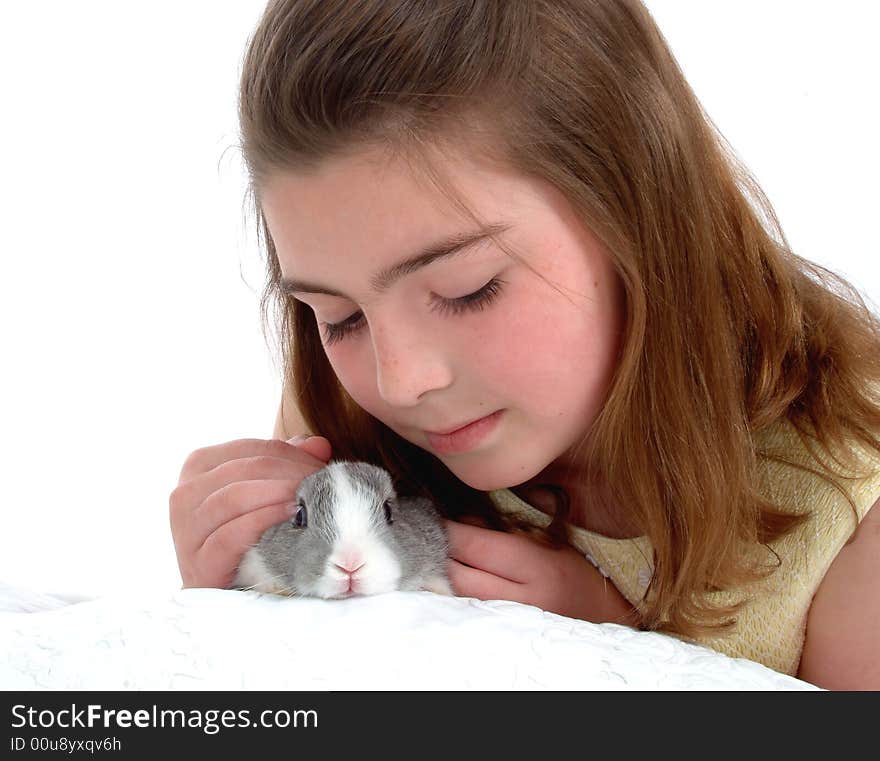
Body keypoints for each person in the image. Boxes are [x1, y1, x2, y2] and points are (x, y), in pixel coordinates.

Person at [168, 0, 880, 689]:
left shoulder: (850, 504)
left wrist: (605, 651)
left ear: (637, 207)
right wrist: (241, 594)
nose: (399, 379)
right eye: (338, 316)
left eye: (466, 287)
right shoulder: (343, 424)